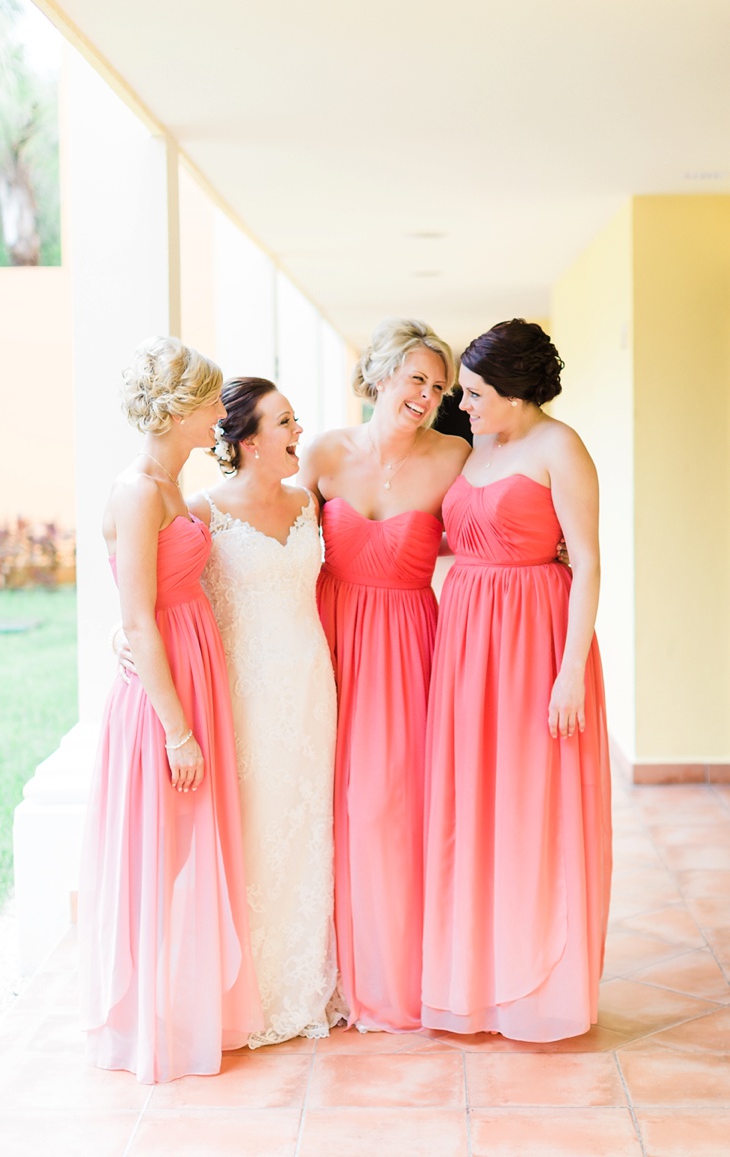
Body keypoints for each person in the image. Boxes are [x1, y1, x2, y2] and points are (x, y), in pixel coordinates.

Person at [421, 319, 612, 1042]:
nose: (461, 404)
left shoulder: (560, 447)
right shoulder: (478, 445)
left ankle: (538, 983)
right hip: (467, 636)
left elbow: (587, 561)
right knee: (474, 804)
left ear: (514, 391)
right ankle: (476, 977)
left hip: (535, 640)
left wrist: (569, 670)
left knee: (532, 807)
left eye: (472, 393)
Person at [79, 337, 262, 1084]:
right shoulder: (136, 489)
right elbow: (139, 617)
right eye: (213, 401)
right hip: (165, 693)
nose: (221, 412)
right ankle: (146, 1026)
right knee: (159, 850)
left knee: (189, 846)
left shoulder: (171, 483)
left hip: (193, 664)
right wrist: (177, 730)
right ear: (181, 409)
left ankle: (182, 1009)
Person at [298, 318, 471, 1032]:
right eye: (416, 379)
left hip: (407, 647)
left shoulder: (456, 455)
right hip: (325, 638)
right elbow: (263, 527)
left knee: (388, 808)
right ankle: (324, 969)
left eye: (438, 386)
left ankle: (397, 977)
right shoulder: (321, 452)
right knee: (321, 802)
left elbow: (489, 528)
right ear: (377, 376)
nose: (427, 395)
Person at [188, 377, 342, 1046]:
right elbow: (161, 587)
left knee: (308, 829)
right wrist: (119, 635)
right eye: (285, 422)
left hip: (311, 688)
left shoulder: (308, 501)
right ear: (248, 440)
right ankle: (243, 993)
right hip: (245, 697)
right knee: (251, 832)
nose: (298, 432)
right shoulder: (201, 511)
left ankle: (302, 985)